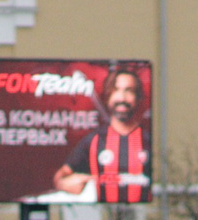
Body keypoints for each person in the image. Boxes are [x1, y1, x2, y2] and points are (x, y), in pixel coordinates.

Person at [50, 66, 149, 203]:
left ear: (138, 98)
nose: (122, 97)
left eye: (129, 91)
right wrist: (68, 183)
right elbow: (60, 178)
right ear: (108, 97)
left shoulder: (148, 141)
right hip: (102, 214)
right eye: (116, 90)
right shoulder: (94, 140)